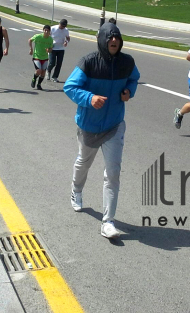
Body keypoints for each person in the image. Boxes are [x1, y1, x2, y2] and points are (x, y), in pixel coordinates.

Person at [63, 22, 140, 239]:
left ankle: (108, 221)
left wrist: (129, 91)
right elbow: (70, 86)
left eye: (116, 38)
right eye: (109, 38)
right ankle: (76, 191)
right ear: (103, 40)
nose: (114, 41)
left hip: (114, 125)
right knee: (84, 162)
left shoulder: (127, 62)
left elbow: (134, 79)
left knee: (113, 172)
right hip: (89, 125)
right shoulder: (88, 62)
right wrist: (89, 98)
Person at [29, 25, 54, 90]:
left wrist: (49, 50)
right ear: (43, 30)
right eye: (45, 30)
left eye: (47, 30)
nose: (46, 32)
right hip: (36, 56)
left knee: (43, 72)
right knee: (39, 70)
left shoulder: (50, 39)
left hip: (45, 57)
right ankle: (34, 79)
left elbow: (51, 49)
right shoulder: (38, 36)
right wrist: (31, 49)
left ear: (49, 32)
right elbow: (30, 40)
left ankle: (39, 84)